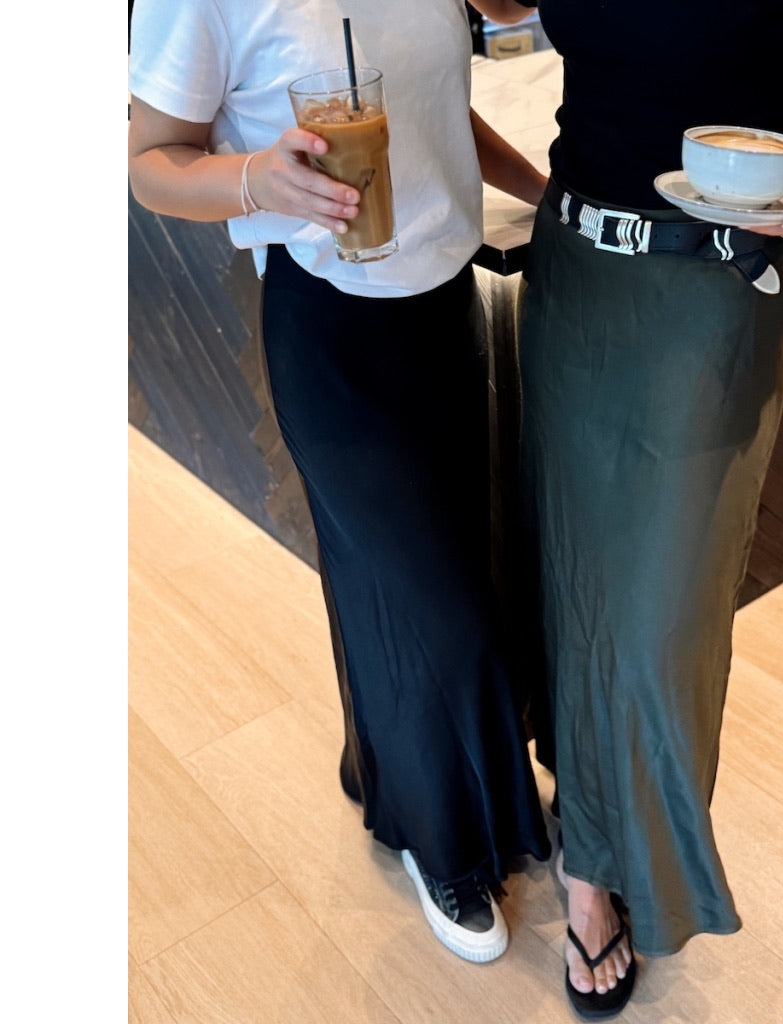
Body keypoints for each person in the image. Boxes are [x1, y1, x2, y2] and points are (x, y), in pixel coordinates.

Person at [127, 0, 552, 965]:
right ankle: (440, 843)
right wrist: (258, 179)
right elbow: (150, 161)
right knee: (440, 609)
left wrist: (540, 186)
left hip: (443, 311)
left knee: (410, 581)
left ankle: (388, 768)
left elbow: (435, 112)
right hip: (329, 325)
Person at [508, 0, 783, 1016]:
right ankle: (589, 844)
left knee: (662, 616)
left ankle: (613, 845)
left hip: (714, 282)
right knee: (573, 573)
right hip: (572, 270)